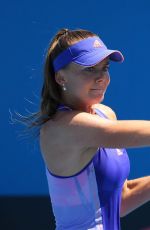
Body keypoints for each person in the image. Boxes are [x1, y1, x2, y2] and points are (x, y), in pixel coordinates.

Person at [35, 28, 149, 229]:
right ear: (61, 77)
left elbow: (120, 199)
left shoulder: (105, 114)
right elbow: (120, 134)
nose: (101, 77)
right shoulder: (63, 127)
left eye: (105, 68)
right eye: (89, 69)